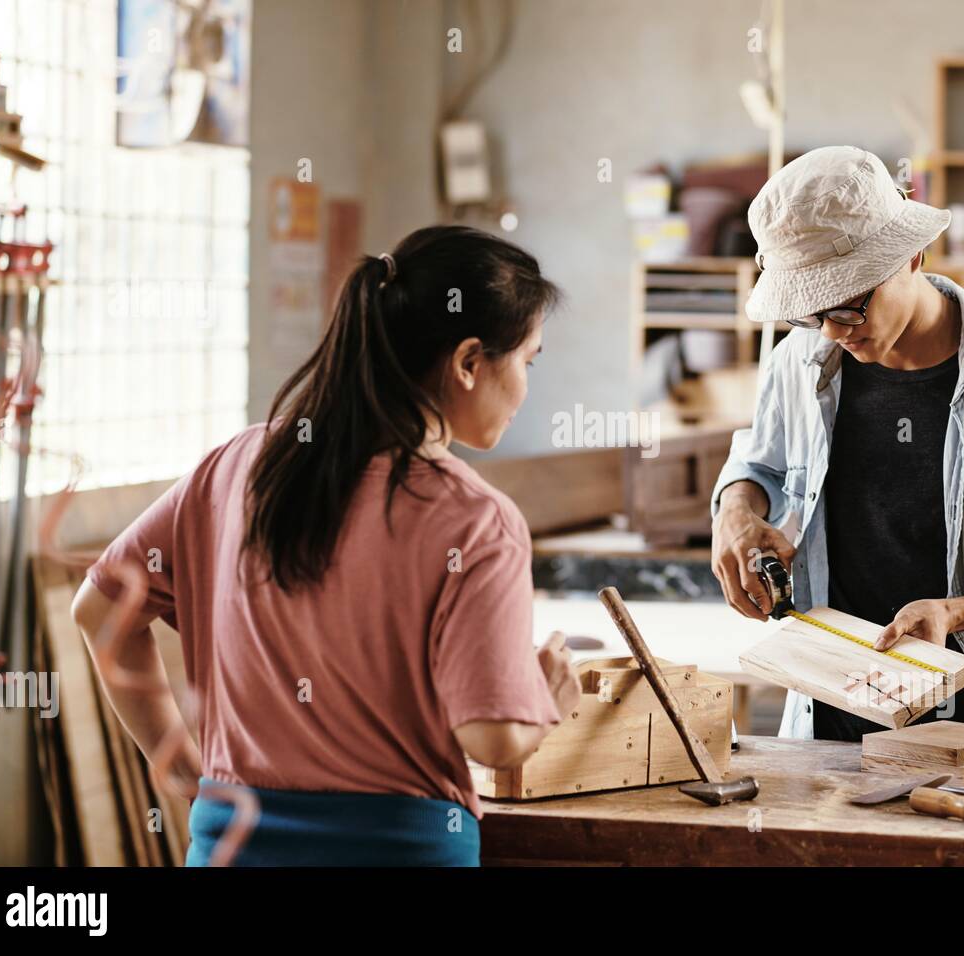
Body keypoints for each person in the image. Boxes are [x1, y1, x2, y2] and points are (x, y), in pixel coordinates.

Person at [71, 225, 581, 865]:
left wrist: (180, 768)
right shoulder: (476, 519)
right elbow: (493, 739)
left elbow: (99, 611)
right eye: (527, 361)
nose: (526, 388)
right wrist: (543, 698)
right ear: (469, 362)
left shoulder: (239, 464)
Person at [709, 147, 964, 748]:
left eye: (851, 304)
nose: (832, 332)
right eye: (812, 313)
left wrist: (958, 613)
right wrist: (737, 512)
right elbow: (757, 464)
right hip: (830, 717)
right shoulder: (795, 365)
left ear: (912, 255)